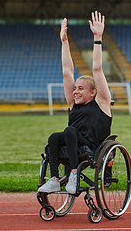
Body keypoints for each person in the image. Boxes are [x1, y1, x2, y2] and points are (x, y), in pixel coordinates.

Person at [38, 11, 112, 194]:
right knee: (54, 138)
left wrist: (97, 37)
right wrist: (64, 43)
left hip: (92, 148)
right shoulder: (73, 103)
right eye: (75, 88)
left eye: (81, 88)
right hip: (73, 144)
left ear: (93, 92)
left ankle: (73, 174)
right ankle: (55, 179)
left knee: (69, 130)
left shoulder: (102, 102)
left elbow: (97, 68)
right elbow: (66, 72)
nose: (75, 91)